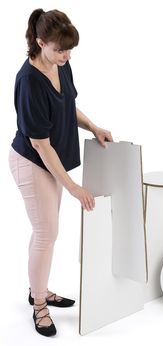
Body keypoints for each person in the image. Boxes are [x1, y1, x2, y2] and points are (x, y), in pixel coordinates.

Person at [8, 8, 113, 337]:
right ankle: (39, 304)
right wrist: (73, 187)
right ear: (40, 43)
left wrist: (94, 126)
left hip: (50, 160)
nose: (66, 55)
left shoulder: (60, 65)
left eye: (70, 49)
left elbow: (68, 105)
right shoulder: (28, 81)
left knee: (46, 233)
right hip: (32, 161)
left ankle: (38, 290)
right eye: (60, 49)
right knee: (46, 233)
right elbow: (40, 145)